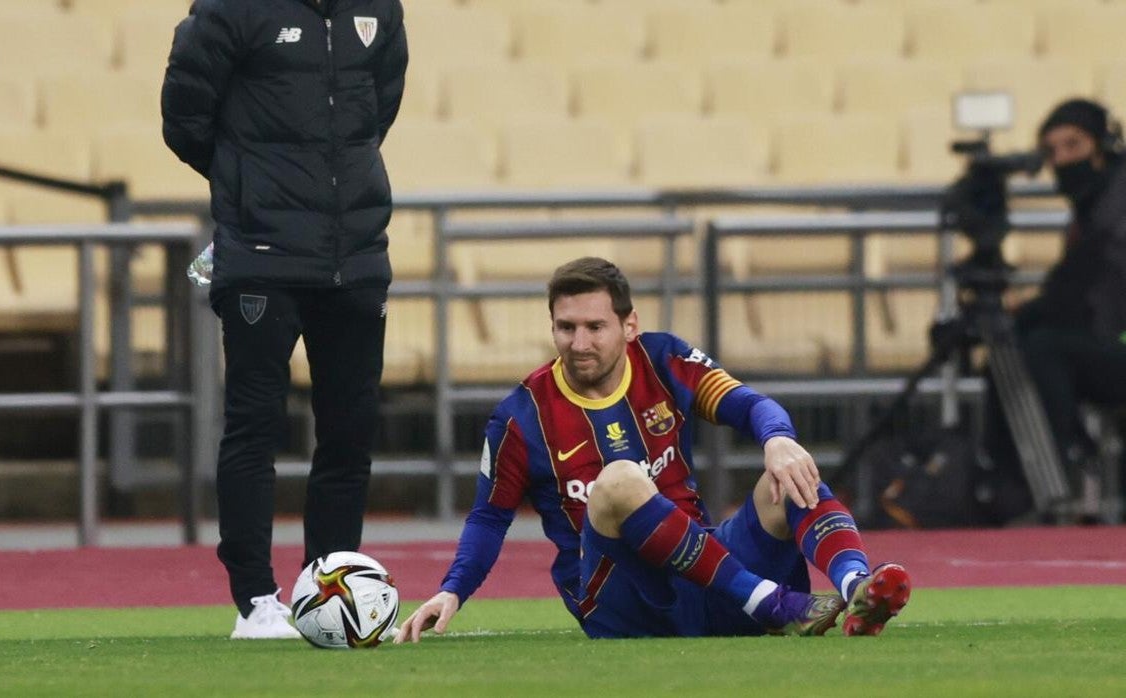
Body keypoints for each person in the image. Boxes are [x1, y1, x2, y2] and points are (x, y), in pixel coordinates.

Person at [395, 258, 910, 642]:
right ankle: (771, 604)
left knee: (786, 474)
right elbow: (489, 518)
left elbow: (750, 404)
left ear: (629, 325)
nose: (578, 343)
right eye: (565, 327)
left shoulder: (663, 359)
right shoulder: (521, 416)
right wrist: (452, 590)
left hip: (709, 575)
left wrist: (778, 440)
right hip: (622, 601)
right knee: (619, 480)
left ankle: (856, 589)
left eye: (595, 327)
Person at [161, 0, 407, 639]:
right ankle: (254, 600)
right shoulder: (230, 9)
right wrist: (251, 183)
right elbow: (183, 117)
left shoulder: (378, 8)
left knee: (350, 435)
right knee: (254, 427)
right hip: (261, 257)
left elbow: (378, 109)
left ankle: (323, 589)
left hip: (356, 258)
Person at [983, 98, 1126, 523]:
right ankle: (1016, 486)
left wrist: (1028, 313)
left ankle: (1066, 471)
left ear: (1103, 145)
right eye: (1052, 150)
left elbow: (1081, 292)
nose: (1062, 159)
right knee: (1019, 345)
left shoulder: (1116, 204)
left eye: (1073, 145)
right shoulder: (1095, 205)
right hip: (1106, 341)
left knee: (1043, 346)